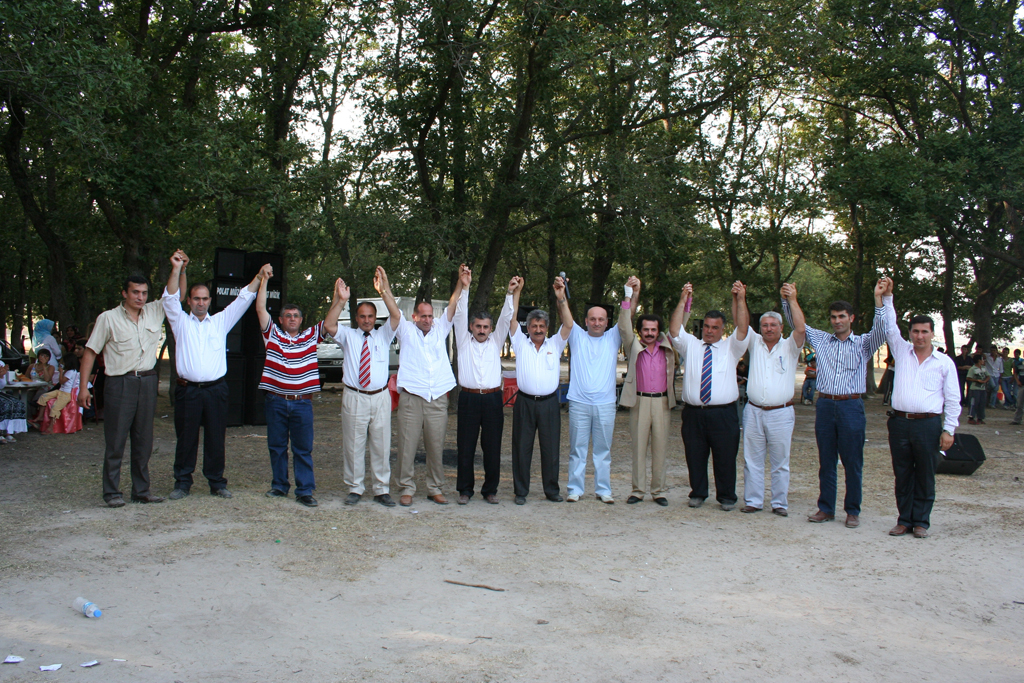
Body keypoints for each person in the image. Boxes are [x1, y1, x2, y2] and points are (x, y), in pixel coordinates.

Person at [80, 261, 186, 507]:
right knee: (116, 439)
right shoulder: (108, 318)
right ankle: (112, 492)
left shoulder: (154, 310)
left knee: (143, 440)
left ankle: (141, 490)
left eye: (144, 293)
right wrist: (84, 387)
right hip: (120, 383)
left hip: (147, 381)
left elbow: (177, 296)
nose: (140, 297)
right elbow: (90, 352)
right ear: (124, 293)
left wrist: (179, 269)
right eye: (135, 292)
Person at [784, 279, 887, 528]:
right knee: (826, 460)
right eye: (833, 317)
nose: (837, 321)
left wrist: (879, 299)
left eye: (842, 316)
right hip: (826, 405)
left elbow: (882, 330)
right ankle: (826, 508)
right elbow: (798, 325)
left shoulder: (864, 344)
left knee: (852, 461)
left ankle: (852, 510)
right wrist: (790, 299)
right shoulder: (821, 340)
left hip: (851, 406)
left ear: (851, 318)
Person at [163, 251, 264, 500]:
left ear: (210, 300)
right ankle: (182, 483)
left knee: (216, 438)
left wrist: (259, 276)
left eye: (205, 299)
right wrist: (177, 269)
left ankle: (217, 482)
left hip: (216, 390)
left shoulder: (220, 322)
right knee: (186, 438)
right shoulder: (180, 322)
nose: (201, 303)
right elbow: (169, 299)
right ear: (189, 301)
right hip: (188, 390)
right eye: (196, 298)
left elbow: (243, 299)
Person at [256, 272, 347, 508]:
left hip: (302, 403)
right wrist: (263, 280)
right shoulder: (272, 335)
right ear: (280, 319)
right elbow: (260, 308)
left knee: (303, 449)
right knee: (277, 447)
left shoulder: (310, 336)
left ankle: (304, 490)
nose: (292, 319)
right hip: (276, 401)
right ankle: (279, 486)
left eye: (296, 315)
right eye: (288, 316)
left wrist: (339, 299)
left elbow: (329, 321)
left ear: (301, 319)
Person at [880, 279, 960, 538]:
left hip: (928, 424)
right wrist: (888, 297)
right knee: (902, 473)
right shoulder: (901, 351)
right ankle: (904, 520)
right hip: (900, 423)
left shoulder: (944, 363)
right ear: (910, 333)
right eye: (915, 331)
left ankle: (921, 522)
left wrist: (949, 429)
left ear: (932, 333)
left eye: (924, 331)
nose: (919, 336)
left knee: (925, 473)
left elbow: (953, 399)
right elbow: (889, 325)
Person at [670, 281, 750, 511]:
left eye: (715, 327)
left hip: (723, 414)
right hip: (694, 413)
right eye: (706, 326)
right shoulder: (691, 345)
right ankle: (698, 493)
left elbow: (743, 328)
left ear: (722, 329)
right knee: (695, 455)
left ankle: (726, 496)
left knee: (725, 457)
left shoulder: (731, 347)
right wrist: (683, 299)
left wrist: (740, 299)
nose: (709, 331)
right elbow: (674, 330)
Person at [334, 267, 401, 507]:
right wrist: (340, 301)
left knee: (381, 444)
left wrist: (384, 290)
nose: (366, 320)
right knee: (354, 444)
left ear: (375, 318)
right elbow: (329, 324)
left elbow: (396, 316)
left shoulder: (383, 335)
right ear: (357, 318)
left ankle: (381, 489)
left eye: (370, 316)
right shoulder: (348, 336)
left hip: (380, 397)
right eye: (362, 316)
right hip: (355, 397)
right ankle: (355, 487)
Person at [392, 277, 461, 507]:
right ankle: (406, 488)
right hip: (411, 397)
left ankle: (435, 488)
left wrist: (461, 283)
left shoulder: (440, 328)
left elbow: (452, 305)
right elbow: (393, 308)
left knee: (436, 446)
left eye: (430, 316)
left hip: (437, 397)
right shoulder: (405, 330)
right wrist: (384, 289)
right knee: (406, 447)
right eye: (423, 316)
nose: (428, 320)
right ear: (414, 317)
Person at [619, 276, 687, 506]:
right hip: (639, 402)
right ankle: (637, 491)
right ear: (639, 331)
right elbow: (624, 325)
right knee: (638, 449)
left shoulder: (667, 347)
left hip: (662, 403)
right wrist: (629, 295)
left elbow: (681, 325)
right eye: (645, 329)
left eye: (653, 330)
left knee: (660, 449)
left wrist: (685, 300)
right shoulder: (633, 345)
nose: (649, 333)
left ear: (658, 331)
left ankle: (658, 491)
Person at [740, 283, 806, 516]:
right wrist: (741, 298)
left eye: (773, 325)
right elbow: (742, 323)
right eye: (765, 325)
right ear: (760, 328)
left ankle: (779, 503)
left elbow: (800, 327)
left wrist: (792, 300)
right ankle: (754, 501)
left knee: (780, 462)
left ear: (781, 327)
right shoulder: (754, 343)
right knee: (752, 460)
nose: (769, 329)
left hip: (781, 412)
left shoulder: (790, 346)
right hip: (754, 411)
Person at [507, 276, 571, 505]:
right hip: (524, 403)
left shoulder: (555, 344)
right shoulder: (520, 343)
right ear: (528, 327)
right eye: (534, 326)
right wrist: (516, 292)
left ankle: (551, 490)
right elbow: (511, 318)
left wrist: (561, 298)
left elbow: (569, 325)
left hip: (549, 404)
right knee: (521, 448)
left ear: (547, 328)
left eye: (542, 326)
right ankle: (521, 491)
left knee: (550, 448)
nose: (538, 329)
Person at [453, 266, 514, 505]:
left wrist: (509, 294)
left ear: (490, 328)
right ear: (471, 327)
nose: (481, 330)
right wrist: (465, 287)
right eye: (478, 326)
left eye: (485, 327)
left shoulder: (496, 341)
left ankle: (490, 490)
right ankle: (465, 490)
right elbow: (459, 314)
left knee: (492, 446)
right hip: (468, 399)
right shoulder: (463, 341)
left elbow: (506, 318)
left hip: (492, 400)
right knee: (465, 446)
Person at [560, 287, 622, 504]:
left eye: (601, 319)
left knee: (603, 450)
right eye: (593, 319)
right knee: (577, 449)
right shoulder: (577, 335)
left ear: (607, 322)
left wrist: (630, 295)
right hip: (579, 403)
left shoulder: (613, 337)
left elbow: (628, 315)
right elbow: (565, 316)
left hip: (605, 404)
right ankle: (575, 489)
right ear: (586, 321)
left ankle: (603, 490)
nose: (597, 323)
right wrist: (561, 295)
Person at [35, 353, 80, 433]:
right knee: (43, 397)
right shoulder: (67, 371)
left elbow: (61, 381)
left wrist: (61, 372)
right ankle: (40, 416)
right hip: (60, 391)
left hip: (66, 394)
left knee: (55, 408)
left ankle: (51, 427)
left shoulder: (71, 372)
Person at [0, 359, 28, 443]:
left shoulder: (1, 363)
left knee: (16, 403)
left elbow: (2, 386)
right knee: (4, 404)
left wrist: (1, 376)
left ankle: (8, 431)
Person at [966, 354, 989, 424]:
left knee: (982, 403)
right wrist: (976, 380)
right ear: (979, 360)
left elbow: (988, 376)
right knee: (974, 403)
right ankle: (971, 417)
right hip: (975, 388)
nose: (983, 361)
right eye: (982, 359)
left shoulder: (983, 368)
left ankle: (980, 418)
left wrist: (985, 381)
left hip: (982, 388)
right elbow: (968, 378)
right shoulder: (972, 369)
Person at [1011, 351, 1024, 425]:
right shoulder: (1019, 364)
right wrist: (1017, 381)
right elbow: (1015, 373)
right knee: (1019, 403)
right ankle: (1017, 419)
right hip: (1021, 385)